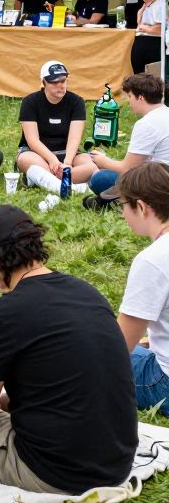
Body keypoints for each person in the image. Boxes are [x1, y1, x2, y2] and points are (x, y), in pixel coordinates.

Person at [0, 204, 137, 495]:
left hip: (53, 471)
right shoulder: (86, 291)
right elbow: (62, 384)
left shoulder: (2, 314)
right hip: (115, 463)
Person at [115, 163, 169, 415]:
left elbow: (117, 346)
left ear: (142, 207)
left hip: (163, 382)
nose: (122, 214)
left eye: (123, 205)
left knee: (78, 354)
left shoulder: (153, 259)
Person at [84, 73, 169, 207]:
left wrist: (103, 161)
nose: (128, 102)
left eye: (130, 96)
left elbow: (128, 168)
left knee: (99, 179)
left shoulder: (146, 124)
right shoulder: (165, 113)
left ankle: (122, 200)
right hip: (161, 176)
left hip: (160, 184)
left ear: (140, 97)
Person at [15, 60, 96, 194]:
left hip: (68, 153)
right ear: (43, 82)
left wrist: (68, 163)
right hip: (37, 154)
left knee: (91, 166)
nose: (60, 86)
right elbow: (32, 140)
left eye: (63, 81)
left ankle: (43, 180)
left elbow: (74, 139)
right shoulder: (30, 101)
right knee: (24, 160)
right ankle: (71, 187)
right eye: (54, 82)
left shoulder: (77, 101)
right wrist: (52, 160)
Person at [131, 0, 164, 74]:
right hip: (144, 42)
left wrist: (143, 27)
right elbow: (139, 24)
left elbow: (159, 29)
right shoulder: (147, 5)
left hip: (153, 44)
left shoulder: (159, 5)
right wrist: (141, 11)